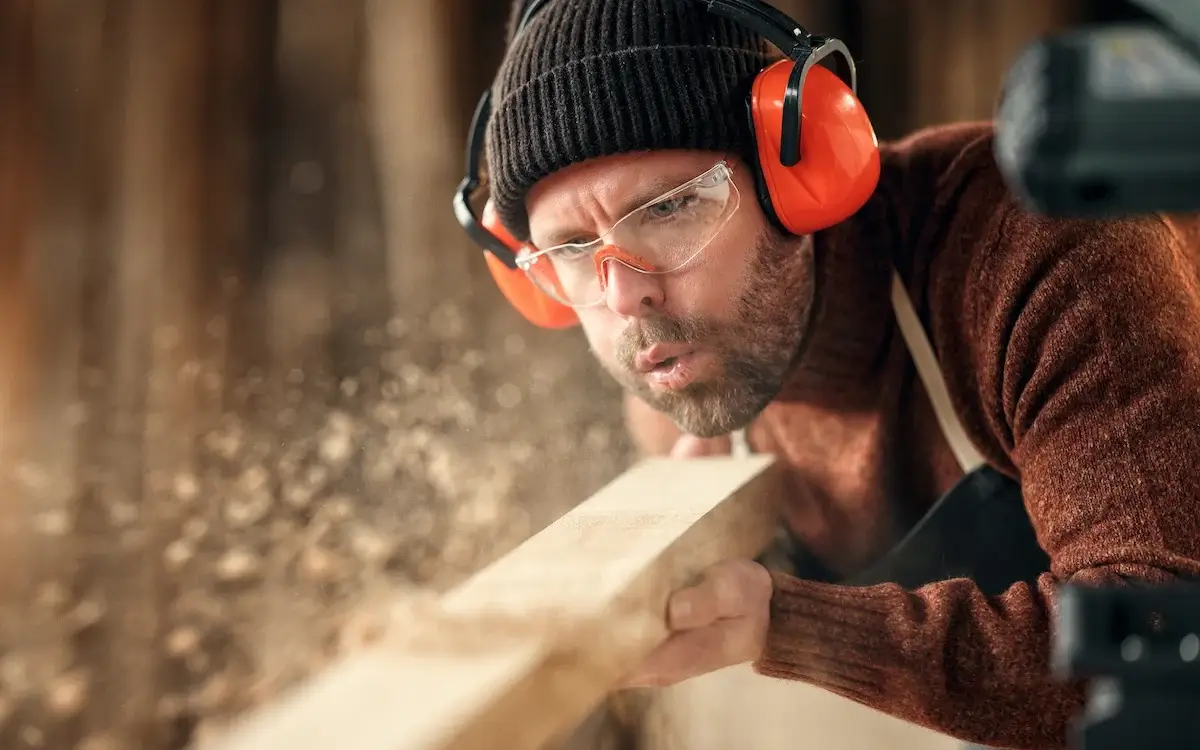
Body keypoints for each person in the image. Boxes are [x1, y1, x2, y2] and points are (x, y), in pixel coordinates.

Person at [451, 1, 1200, 748]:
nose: (627, 296)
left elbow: (1158, 642)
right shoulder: (675, 385)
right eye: (574, 249)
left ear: (799, 172)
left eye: (673, 205)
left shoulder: (1035, 256)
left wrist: (787, 624)